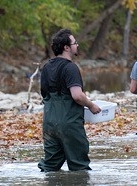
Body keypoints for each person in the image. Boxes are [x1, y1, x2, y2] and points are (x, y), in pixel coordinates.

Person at [37, 29, 102, 172]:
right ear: (66, 47)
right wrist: (91, 105)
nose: (77, 45)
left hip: (49, 124)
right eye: (75, 43)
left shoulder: (46, 67)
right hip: (69, 124)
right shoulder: (70, 68)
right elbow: (77, 96)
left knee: (49, 167)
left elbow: (45, 94)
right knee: (80, 168)